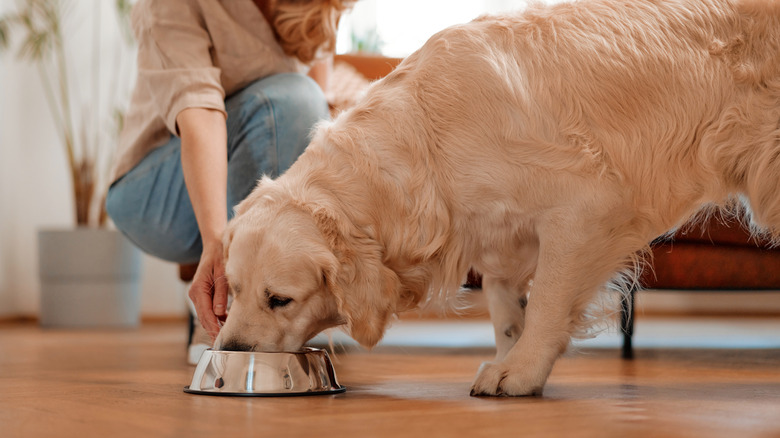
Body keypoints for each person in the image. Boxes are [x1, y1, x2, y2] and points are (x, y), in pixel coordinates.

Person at [106, 0, 354, 360]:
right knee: (289, 100)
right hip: (155, 192)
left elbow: (317, 131)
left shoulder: (317, 6)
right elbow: (200, 113)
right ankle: (227, 316)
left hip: (249, 162)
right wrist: (216, 242)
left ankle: (260, 315)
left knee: (303, 101)